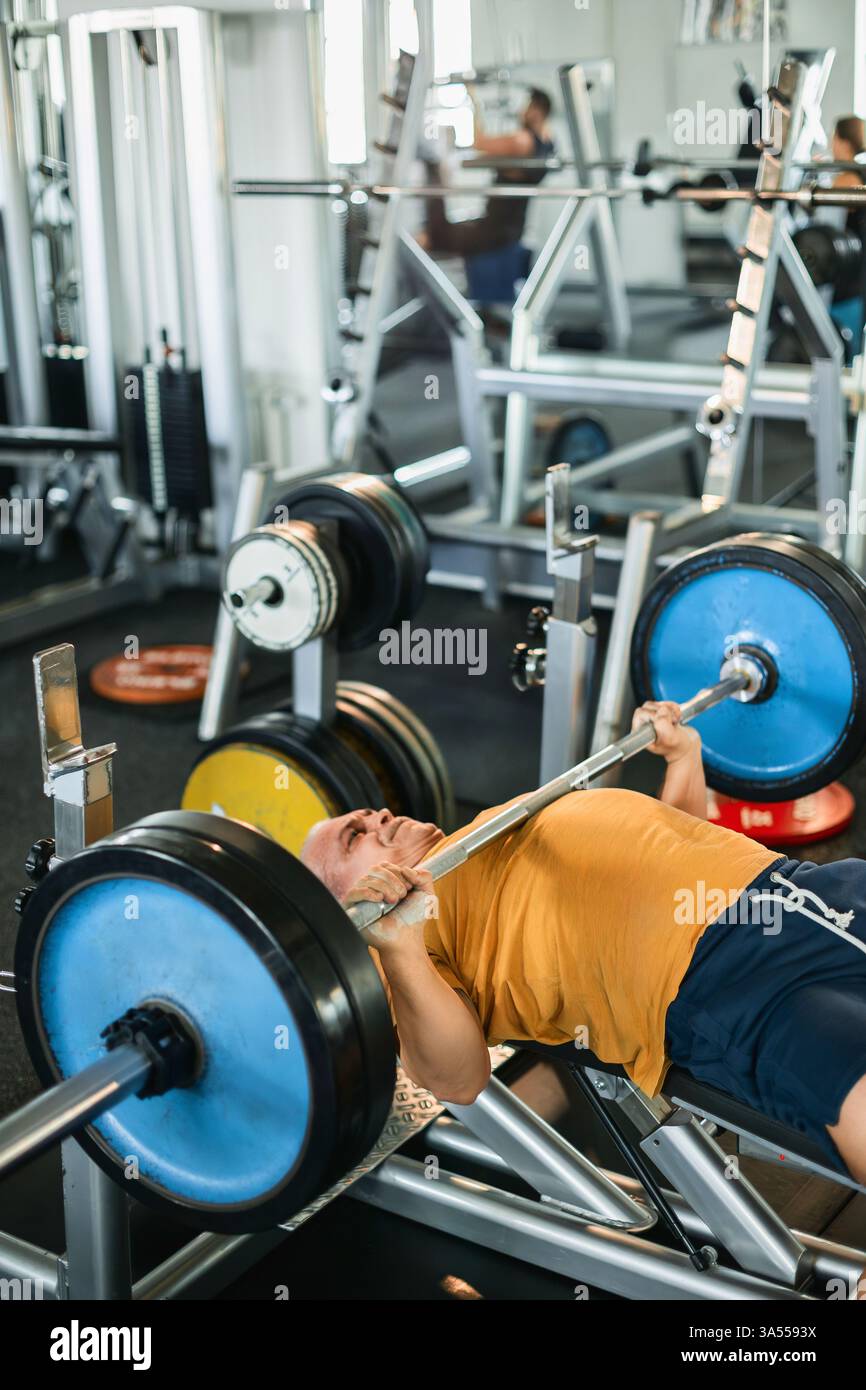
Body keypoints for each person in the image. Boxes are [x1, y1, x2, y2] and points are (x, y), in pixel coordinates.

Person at [301, 698, 866, 1186]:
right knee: (850, 1081)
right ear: (347, 905)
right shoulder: (408, 941)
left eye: (366, 813)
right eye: (355, 837)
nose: (376, 815)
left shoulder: (485, 830)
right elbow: (458, 1078)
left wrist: (684, 758)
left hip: (798, 889)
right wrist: (399, 948)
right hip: (720, 983)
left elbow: (671, 844)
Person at [419, 86, 555, 261]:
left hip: (494, 233)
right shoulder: (547, 141)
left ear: (537, 111)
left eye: (527, 107)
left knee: (432, 236)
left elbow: (479, 142)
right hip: (509, 228)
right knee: (438, 231)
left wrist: (475, 101)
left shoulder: (522, 141)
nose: (522, 111)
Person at [829, 115, 866, 363]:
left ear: (842, 142)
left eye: (833, 138)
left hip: (850, 277)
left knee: (840, 345)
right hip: (857, 273)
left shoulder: (847, 178)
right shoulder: (858, 174)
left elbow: (825, 222)